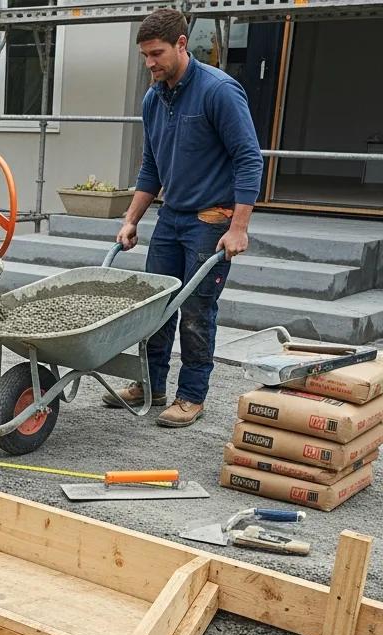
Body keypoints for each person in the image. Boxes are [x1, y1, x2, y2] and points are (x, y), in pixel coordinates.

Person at [104, 8, 263, 428]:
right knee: (156, 304)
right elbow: (151, 168)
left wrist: (239, 227)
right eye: (144, 56)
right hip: (171, 218)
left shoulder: (219, 91)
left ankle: (191, 396)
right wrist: (131, 219)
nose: (150, 63)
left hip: (211, 219)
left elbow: (248, 159)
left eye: (156, 53)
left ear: (181, 44)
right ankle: (150, 384)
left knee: (196, 309)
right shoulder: (154, 98)